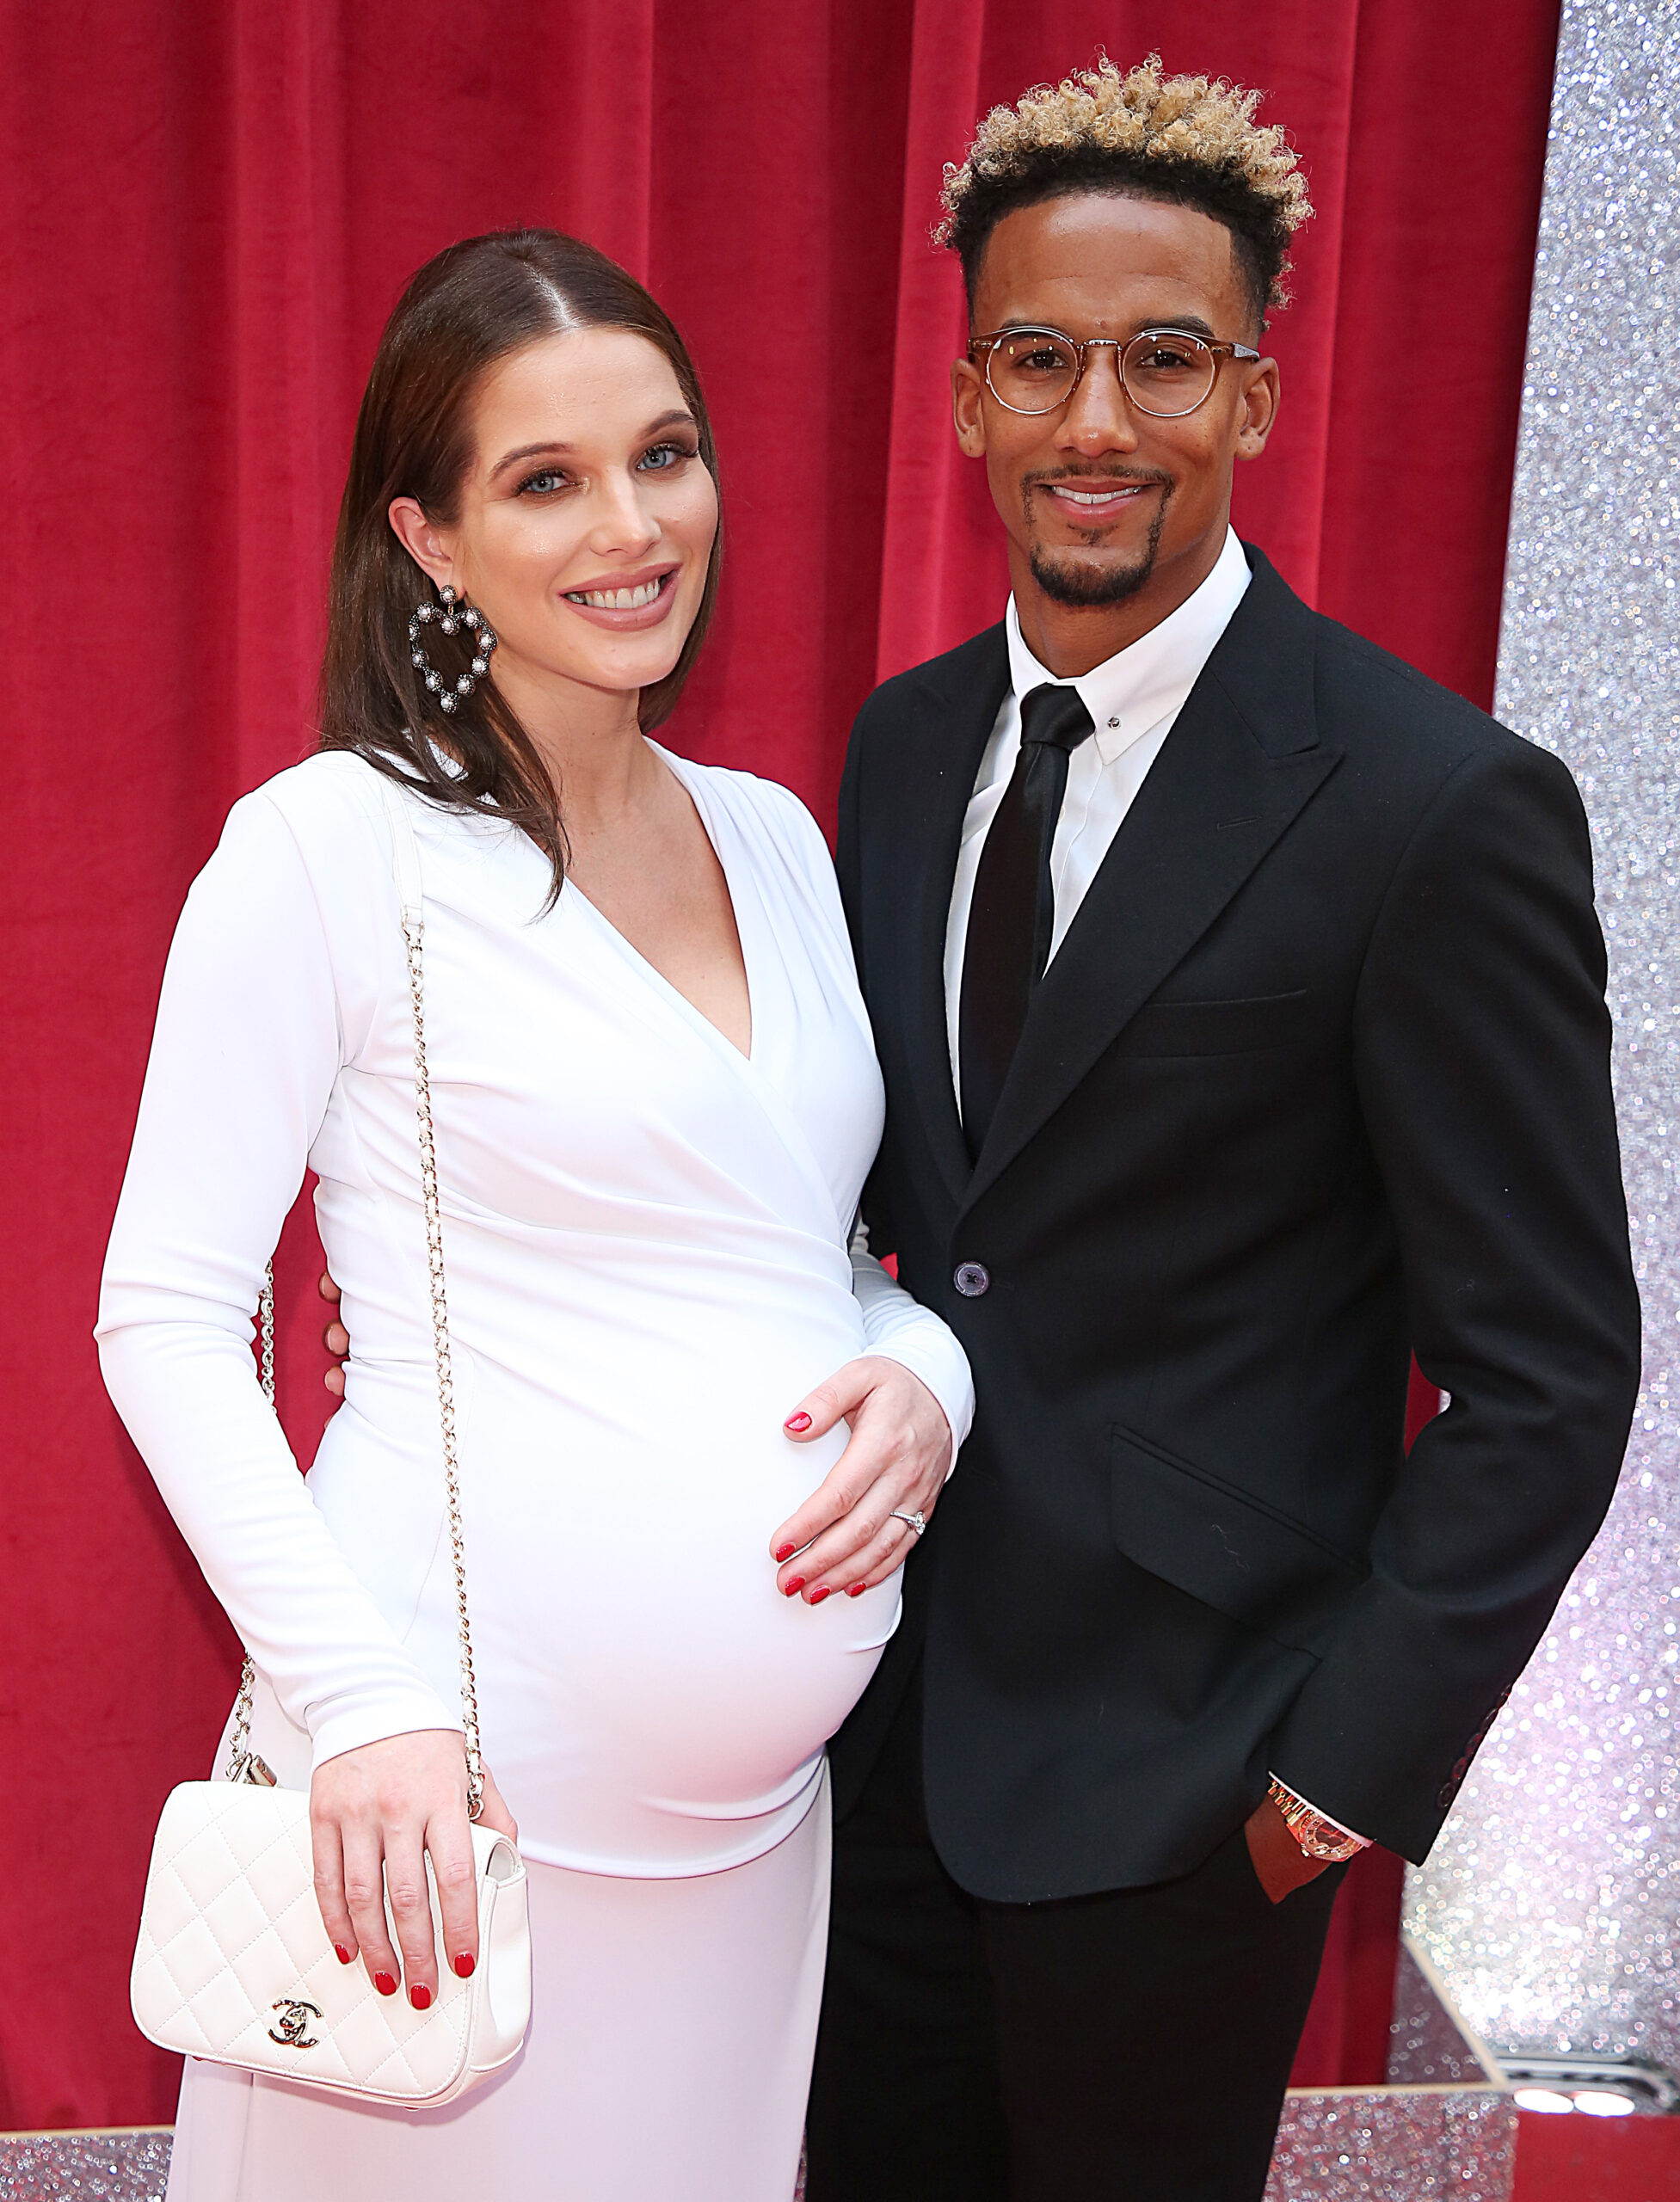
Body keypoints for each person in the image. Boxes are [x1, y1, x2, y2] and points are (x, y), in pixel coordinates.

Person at [803, 57, 1642, 2202]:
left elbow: (1546, 1372)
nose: (1099, 422)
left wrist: (1330, 1783)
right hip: (864, 1748)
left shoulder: (1430, 803)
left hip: (1193, 1793)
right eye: (1040, 358)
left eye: (1163, 358)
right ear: (972, 394)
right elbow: (909, 1226)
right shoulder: (897, 754)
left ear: (1250, 397)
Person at [96, 229, 971, 2202]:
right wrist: (362, 1701)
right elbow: (163, 1309)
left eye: (663, 454)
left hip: (757, 1841)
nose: (631, 525)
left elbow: (822, 1253)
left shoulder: (775, 834)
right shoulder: (327, 846)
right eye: (545, 479)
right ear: (425, 533)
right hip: (444, 1820)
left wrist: (928, 1380)